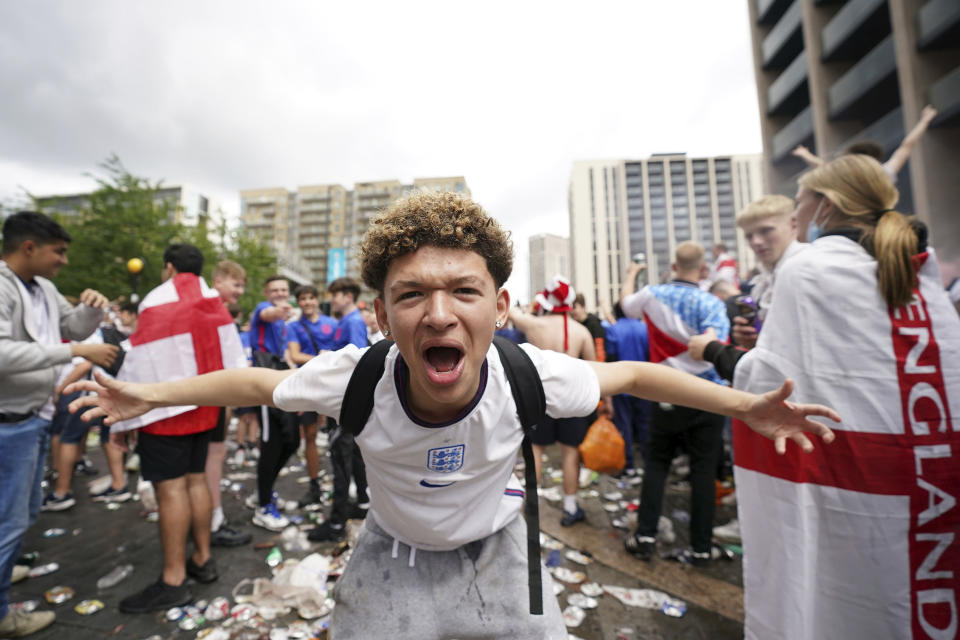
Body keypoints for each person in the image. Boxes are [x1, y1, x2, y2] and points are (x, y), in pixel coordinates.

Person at [68, 190, 837, 640]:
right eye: (411, 295)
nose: (438, 314)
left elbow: (633, 372)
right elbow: (253, 386)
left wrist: (749, 408)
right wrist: (149, 395)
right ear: (381, 314)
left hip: (501, 550)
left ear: (500, 307)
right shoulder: (357, 376)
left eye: (463, 292)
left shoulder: (527, 372)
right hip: (391, 557)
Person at [728, 155, 959, 639]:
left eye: (800, 204)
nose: (796, 217)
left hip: (853, 478)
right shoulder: (920, 264)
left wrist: (717, 353)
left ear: (825, 206)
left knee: (846, 599)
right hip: (934, 474)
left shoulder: (809, 269)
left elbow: (770, 383)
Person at [106, 244, 245, 613]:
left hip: (165, 411)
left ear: (168, 267)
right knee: (197, 480)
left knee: (170, 491)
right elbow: (234, 357)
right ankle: (202, 558)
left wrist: (126, 417)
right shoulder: (214, 302)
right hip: (207, 406)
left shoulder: (156, 300)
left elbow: (140, 360)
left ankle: (173, 579)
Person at [0, 211, 116, 637]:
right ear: (29, 247)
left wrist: (90, 311)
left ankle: (5, 565)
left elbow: (68, 326)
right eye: (59, 252)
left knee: (25, 512)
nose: (64, 262)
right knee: (9, 521)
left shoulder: (43, 288)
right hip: (7, 423)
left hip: (29, 419)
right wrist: (73, 350)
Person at [619, 242, 731, 565]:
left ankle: (645, 537)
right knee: (703, 471)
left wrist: (633, 274)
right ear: (704, 269)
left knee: (656, 464)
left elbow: (626, 305)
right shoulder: (711, 303)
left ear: (673, 266)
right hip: (708, 396)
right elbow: (715, 345)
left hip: (665, 392)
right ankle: (700, 547)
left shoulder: (653, 294)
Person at [509, 275, 597, 526]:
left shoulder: (535, 325)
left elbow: (512, 312)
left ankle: (531, 504)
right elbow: (595, 369)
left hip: (542, 398)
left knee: (536, 450)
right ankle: (570, 507)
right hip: (574, 400)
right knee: (571, 453)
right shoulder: (581, 331)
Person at [307, 277, 370, 542]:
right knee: (352, 457)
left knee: (341, 462)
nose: (332, 299)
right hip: (345, 403)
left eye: (335, 295)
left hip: (344, 404)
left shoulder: (353, 321)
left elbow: (357, 360)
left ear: (348, 296)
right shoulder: (347, 321)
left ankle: (336, 523)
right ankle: (363, 503)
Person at [206, 260, 252, 548]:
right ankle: (213, 521)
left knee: (214, 455)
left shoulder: (207, 308)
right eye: (236, 284)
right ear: (219, 280)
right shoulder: (214, 311)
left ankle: (211, 518)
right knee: (212, 457)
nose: (240, 291)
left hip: (209, 397)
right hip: (209, 398)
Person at [248, 274, 298, 531]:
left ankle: (263, 490)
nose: (280, 293)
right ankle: (263, 505)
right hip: (265, 383)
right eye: (275, 290)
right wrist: (278, 311)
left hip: (281, 383)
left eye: (283, 289)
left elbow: (287, 356)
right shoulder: (264, 310)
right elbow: (267, 314)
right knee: (271, 444)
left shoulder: (286, 323)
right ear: (267, 293)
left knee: (292, 441)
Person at [792, 105, 938, 184]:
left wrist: (805, 155)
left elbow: (821, 166)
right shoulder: (883, 173)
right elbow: (906, 146)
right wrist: (924, 121)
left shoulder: (852, 175)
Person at [286, 284, 337, 508]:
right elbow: (295, 355)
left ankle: (343, 484)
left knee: (342, 438)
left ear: (317, 300)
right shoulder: (294, 326)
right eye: (303, 299)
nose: (307, 302)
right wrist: (323, 359)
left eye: (310, 298)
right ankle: (315, 485)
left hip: (334, 385)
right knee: (310, 435)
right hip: (308, 386)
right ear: (299, 302)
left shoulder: (332, 324)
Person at [606, 302, 650, 477]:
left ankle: (629, 465)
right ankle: (649, 464)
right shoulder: (644, 328)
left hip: (621, 386)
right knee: (645, 425)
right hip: (645, 385)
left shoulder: (614, 329)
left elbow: (611, 356)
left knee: (624, 426)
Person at [570, 293, 606, 362]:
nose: (571, 311)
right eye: (570, 308)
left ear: (583, 307)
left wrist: (599, 368)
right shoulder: (574, 324)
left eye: (574, 307)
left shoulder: (595, 324)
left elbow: (600, 350)